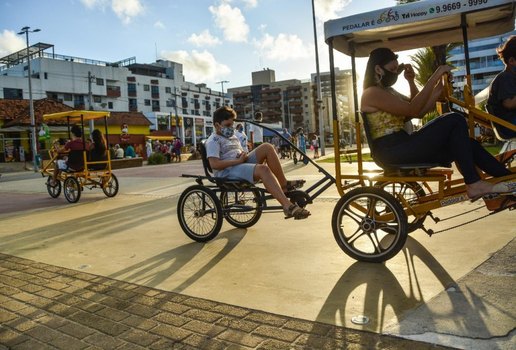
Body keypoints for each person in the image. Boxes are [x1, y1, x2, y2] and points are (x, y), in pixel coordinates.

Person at [360, 47, 514, 203]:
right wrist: (435, 76)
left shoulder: (387, 91)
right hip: (391, 150)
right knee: (454, 119)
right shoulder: (371, 93)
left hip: (402, 145)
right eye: (392, 69)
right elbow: (413, 109)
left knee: (469, 144)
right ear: (378, 69)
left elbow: (418, 111)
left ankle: (509, 181)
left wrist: (417, 82)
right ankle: (474, 183)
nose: (395, 73)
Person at [206, 106, 310, 219]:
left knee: (267, 147)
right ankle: (288, 207)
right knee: (263, 169)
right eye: (227, 125)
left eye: (232, 125)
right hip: (227, 172)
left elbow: (240, 152)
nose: (231, 128)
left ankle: (284, 185)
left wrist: (243, 155)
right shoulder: (213, 141)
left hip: (239, 164)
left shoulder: (232, 136)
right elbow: (214, 164)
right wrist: (238, 161)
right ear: (217, 125)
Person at [487, 35, 516, 140]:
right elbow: (508, 103)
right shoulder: (505, 78)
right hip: (508, 125)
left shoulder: (510, 77)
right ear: (512, 61)